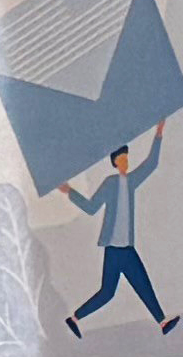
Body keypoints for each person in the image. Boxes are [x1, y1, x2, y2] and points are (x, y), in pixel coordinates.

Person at [61, 124, 175, 334]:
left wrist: (159, 134)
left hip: (127, 248)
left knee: (142, 285)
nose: (125, 162)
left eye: (126, 159)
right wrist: (69, 191)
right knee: (107, 293)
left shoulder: (131, 181)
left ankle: (162, 322)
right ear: (115, 162)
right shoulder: (110, 183)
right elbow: (91, 208)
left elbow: (151, 164)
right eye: (121, 159)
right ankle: (75, 318)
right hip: (114, 248)